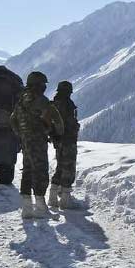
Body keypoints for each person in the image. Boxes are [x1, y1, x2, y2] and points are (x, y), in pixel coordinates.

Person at [10, 71, 63, 219]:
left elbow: (12, 119)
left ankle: (26, 208)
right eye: (43, 84)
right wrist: (57, 133)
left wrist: (21, 134)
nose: (44, 87)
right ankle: (40, 207)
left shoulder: (21, 100)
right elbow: (56, 119)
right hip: (38, 140)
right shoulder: (41, 100)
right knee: (40, 170)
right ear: (38, 85)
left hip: (26, 141)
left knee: (27, 170)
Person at [48, 81, 82, 210]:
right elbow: (70, 123)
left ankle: (52, 196)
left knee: (60, 166)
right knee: (69, 167)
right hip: (68, 140)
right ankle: (65, 200)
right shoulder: (68, 104)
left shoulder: (53, 104)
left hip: (58, 140)